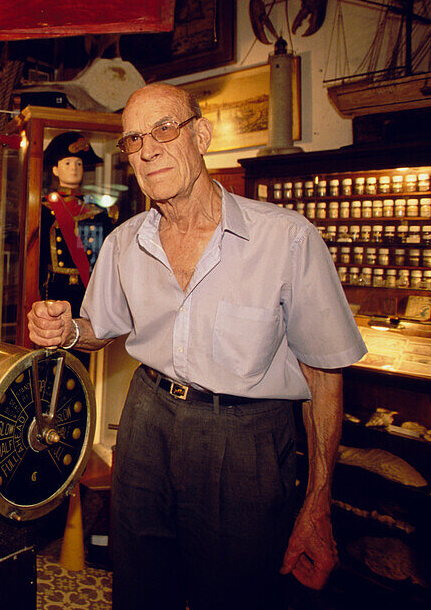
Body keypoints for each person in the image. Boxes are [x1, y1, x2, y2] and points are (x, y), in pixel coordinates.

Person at [27, 83, 366, 610]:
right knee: (139, 584)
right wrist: (66, 330)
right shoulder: (124, 242)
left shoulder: (286, 238)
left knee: (236, 591)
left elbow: (323, 375)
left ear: (201, 135)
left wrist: (318, 501)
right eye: (133, 138)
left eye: (164, 129)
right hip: (146, 423)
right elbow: (100, 327)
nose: (147, 148)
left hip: (246, 439)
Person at [38, 131, 116, 318]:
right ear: (55, 170)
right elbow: (38, 254)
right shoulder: (43, 208)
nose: (74, 168)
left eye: (78, 163)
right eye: (67, 163)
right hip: (56, 285)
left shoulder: (97, 209)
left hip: (86, 286)